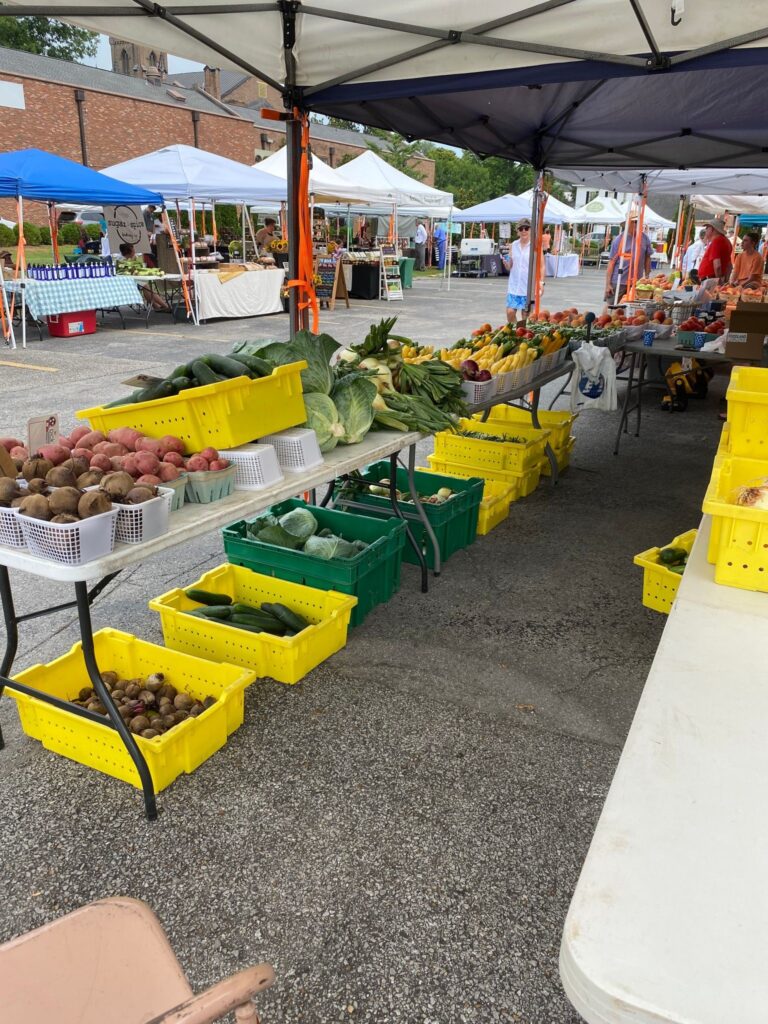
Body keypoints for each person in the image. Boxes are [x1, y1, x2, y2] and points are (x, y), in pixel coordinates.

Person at [603, 214, 652, 301]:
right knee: (611, 305)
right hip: (619, 280)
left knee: (631, 306)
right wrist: (608, 284)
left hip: (637, 282)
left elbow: (648, 258)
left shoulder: (644, 238)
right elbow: (611, 263)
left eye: (638, 222)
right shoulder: (619, 239)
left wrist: (647, 276)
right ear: (627, 224)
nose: (636, 225)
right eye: (634, 222)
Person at [118, 243, 171, 312]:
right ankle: (164, 306)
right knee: (145, 286)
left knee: (144, 285)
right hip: (124, 283)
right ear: (130, 251)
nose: (135, 251)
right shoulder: (122, 260)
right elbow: (132, 271)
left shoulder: (132, 257)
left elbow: (139, 270)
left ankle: (157, 307)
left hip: (132, 280)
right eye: (133, 249)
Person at [501, 218, 532, 323]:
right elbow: (510, 265)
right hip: (514, 286)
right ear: (518, 231)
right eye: (521, 228)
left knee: (526, 317)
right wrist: (507, 264)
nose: (524, 231)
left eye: (526, 228)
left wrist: (541, 283)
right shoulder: (513, 245)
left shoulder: (534, 246)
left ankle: (522, 335)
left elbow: (541, 266)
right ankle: (515, 331)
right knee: (510, 312)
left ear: (530, 230)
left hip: (528, 287)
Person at [697, 217, 733, 284]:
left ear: (712, 229)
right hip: (712, 278)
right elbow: (729, 265)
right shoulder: (727, 241)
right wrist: (725, 280)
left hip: (710, 279)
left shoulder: (717, 241)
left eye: (707, 227)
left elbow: (717, 266)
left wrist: (718, 282)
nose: (706, 230)